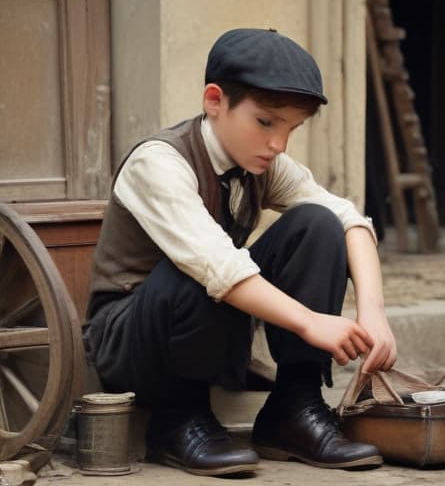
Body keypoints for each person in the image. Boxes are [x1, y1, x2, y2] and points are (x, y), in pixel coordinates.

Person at [83, 28, 397, 477]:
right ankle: (179, 420)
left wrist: (373, 311)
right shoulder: (158, 163)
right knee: (195, 268)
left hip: (204, 319)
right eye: (266, 123)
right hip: (131, 341)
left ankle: (294, 407)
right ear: (215, 100)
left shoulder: (260, 164)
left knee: (318, 225)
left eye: (292, 129)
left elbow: (348, 220)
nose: (279, 144)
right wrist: (311, 322)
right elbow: (218, 264)